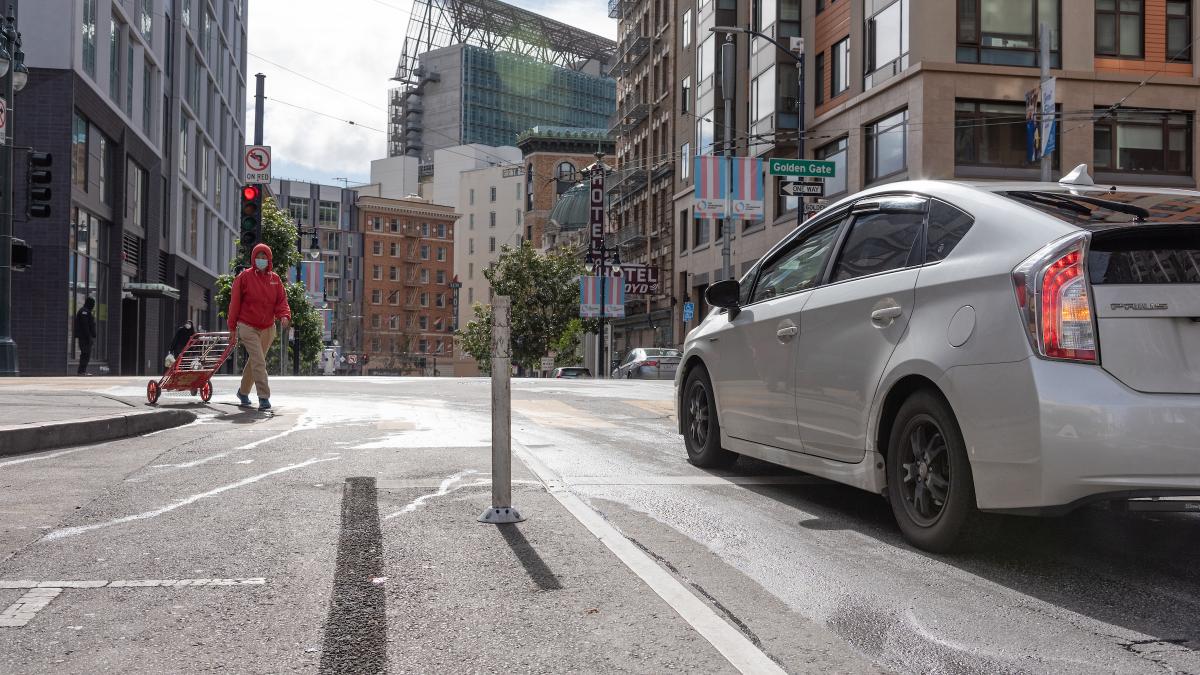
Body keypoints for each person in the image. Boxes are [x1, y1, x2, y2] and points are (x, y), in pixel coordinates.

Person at [227, 243, 291, 410]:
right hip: (247, 325)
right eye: (258, 256)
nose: (261, 259)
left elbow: (281, 301)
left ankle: (242, 392)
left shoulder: (275, 279)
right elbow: (234, 304)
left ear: (269, 259)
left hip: (268, 327)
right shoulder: (244, 277)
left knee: (256, 361)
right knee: (259, 361)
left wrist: (284, 316)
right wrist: (232, 328)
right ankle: (264, 397)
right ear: (253, 258)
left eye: (264, 257)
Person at [74, 297, 97, 376]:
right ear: (89, 303)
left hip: (86, 337)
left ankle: (82, 371)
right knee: (85, 354)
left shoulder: (86, 311)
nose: (93, 306)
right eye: (93, 304)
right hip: (84, 337)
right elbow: (85, 326)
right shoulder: (84, 312)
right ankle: (81, 371)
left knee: (86, 354)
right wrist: (89, 337)